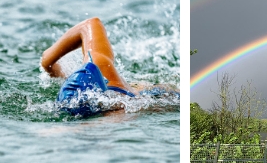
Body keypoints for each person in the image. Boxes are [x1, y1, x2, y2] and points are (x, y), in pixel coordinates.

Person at [41, 17, 178, 116]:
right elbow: (90, 23)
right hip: (149, 98)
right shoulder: (118, 108)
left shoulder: (99, 64)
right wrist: (48, 61)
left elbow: (90, 24)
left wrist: (47, 64)